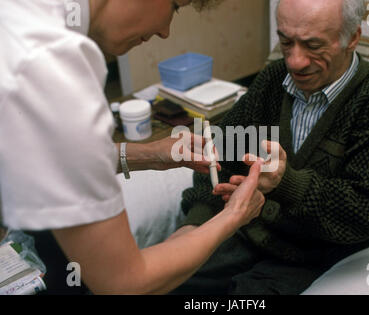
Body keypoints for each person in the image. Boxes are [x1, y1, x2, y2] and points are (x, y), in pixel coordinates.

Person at [0, 0, 266, 294]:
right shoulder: (50, 66)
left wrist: (150, 154)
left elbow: (51, 160)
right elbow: (125, 283)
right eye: (176, 6)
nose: (165, 32)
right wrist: (234, 214)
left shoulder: (24, 17)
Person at [172, 0, 369, 295]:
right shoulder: (274, 79)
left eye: (313, 45)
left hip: (318, 255)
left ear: (353, 38)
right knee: (157, 283)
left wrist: (286, 184)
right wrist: (196, 224)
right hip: (249, 233)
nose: (295, 61)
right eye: (286, 41)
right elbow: (219, 154)